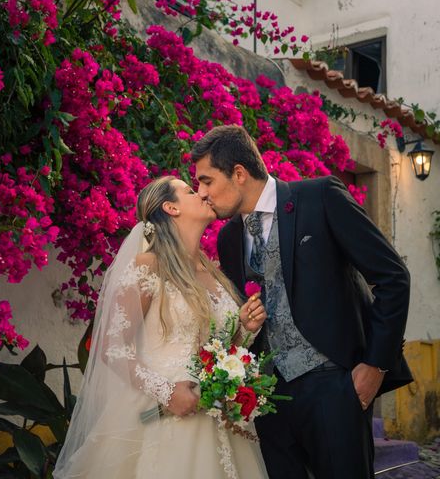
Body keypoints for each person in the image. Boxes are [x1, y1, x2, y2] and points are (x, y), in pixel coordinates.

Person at [192, 125, 413, 479]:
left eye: (206, 181)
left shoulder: (320, 196)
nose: (201, 193)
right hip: (269, 402)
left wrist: (375, 366)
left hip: (335, 386)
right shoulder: (229, 238)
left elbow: (393, 277)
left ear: (238, 173)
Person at [53, 176, 270, 479]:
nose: (203, 195)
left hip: (217, 413)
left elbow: (223, 346)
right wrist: (167, 393)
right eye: (191, 191)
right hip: (165, 417)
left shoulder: (213, 272)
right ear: (171, 207)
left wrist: (247, 327)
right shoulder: (148, 266)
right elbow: (111, 348)